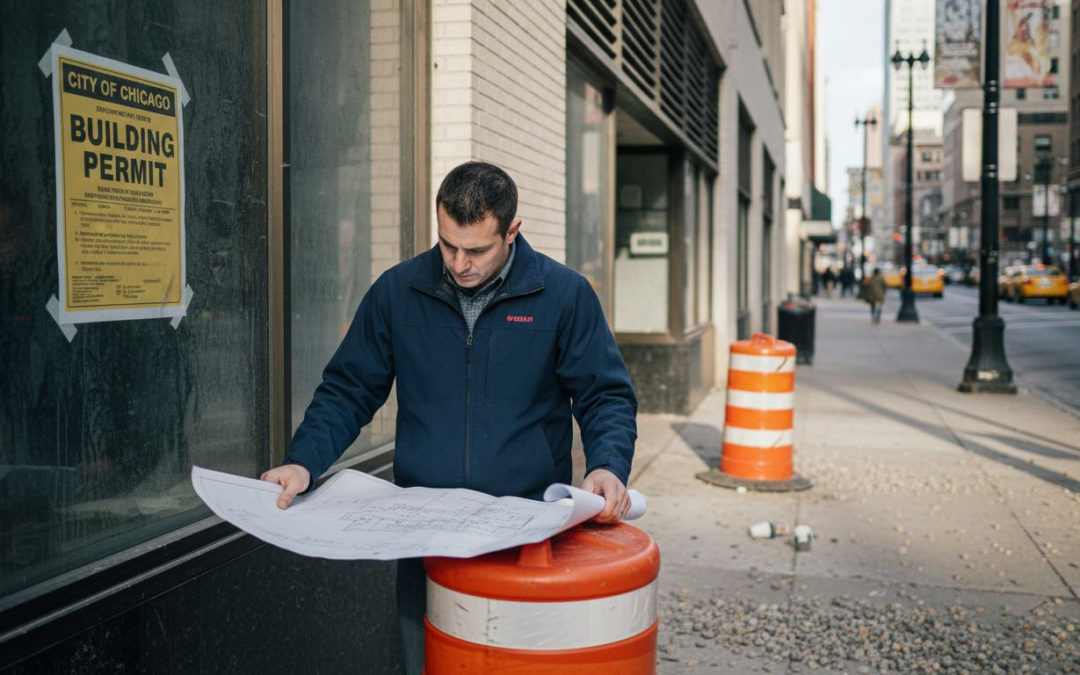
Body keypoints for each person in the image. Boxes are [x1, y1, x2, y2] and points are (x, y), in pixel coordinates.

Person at [260, 161, 638, 675]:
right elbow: (349, 389)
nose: (459, 263)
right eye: (447, 244)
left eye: (477, 250)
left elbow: (604, 395)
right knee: (429, 662)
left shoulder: (564, 295)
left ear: (512, 230)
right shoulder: (398, 291)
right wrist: (302, 461)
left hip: (523, 533)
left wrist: (608, 464)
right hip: (424, 535)